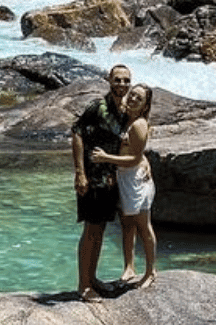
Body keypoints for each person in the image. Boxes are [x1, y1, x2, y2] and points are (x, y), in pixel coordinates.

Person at [71, 64, 131, 302]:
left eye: (126, 80)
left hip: (110, 180)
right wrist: (80, 173)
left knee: (100, 230)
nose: (122, 84)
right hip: (92, 178)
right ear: (109, 80)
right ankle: (83, 285)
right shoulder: (97, 107)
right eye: (118, 80)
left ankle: (92, 278)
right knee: (91, 230)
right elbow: (77, 133)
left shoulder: (124, 111)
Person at [90, 84, 157, 289]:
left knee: (143, 226)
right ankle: (129, 267)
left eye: (139, 98)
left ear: (145, 106)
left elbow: (135, 158)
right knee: (127, 224)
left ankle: (150, 272)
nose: (133, 99)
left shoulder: (139, 125)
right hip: (123, 177)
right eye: (132, 95)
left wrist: (105, 158)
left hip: (136, 180)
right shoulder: (124, 118)